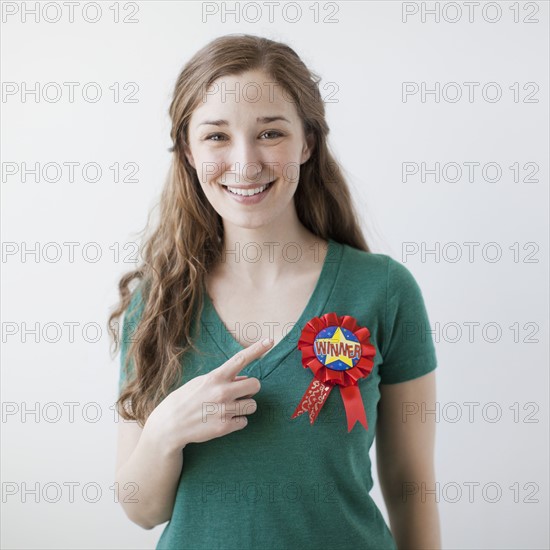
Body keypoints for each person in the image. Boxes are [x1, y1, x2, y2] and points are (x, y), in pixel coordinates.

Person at [109, 33, 441, 550]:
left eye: (270, 133)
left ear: (307, 142)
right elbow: (142, 510)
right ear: (189, 152)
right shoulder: (155, 303)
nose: (245, 164)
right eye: (217, 136)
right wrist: (164, 431)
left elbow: (410, 482)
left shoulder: (384, 290)